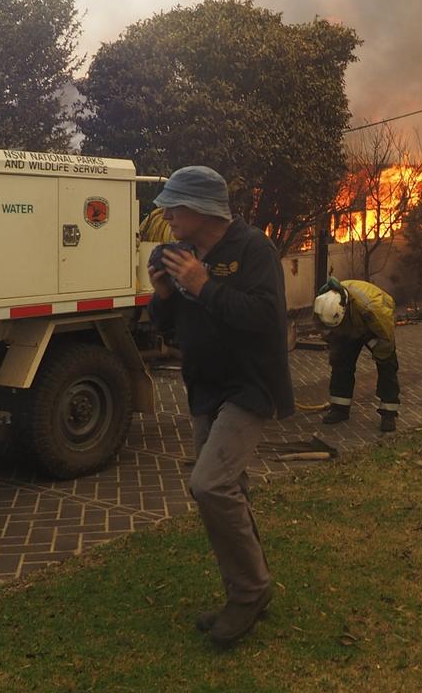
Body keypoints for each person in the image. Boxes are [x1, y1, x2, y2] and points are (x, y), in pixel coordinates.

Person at [146, 165, 294, 647]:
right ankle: (249, 587)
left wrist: (204, 284)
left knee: (209, 484)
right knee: (231, 491)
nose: (166, 213)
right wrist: (165, 294)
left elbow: (267, 320)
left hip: (250, 387)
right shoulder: (179, 253)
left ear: (202, 209)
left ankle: (249, 593)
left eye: (174, 205)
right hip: (203, 387)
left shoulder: (254, 249)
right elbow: (168, 325)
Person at [313, 277, 400, 432]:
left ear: (344, 309)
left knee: (387, 365)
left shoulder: (374, 310)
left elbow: (385, 343)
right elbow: (323, 328)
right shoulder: (324, 303)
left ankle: (388, 412)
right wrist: (334, 345)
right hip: (351, 324)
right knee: (340, 362)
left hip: (371, 327)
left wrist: (379, 353)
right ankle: (340, 408)